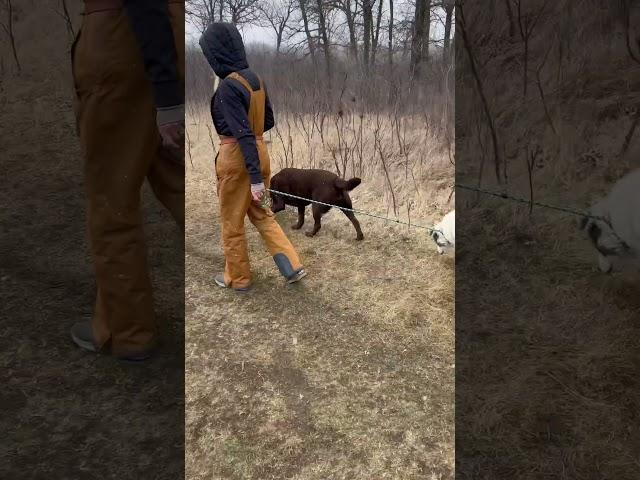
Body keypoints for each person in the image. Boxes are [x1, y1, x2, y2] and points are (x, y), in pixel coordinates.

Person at [69, 0, 185, 361]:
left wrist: (166, 97)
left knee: (112, 203)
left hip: (125, 45)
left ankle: (129, 333)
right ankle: (238, 273)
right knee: (179, 183)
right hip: (161, 38)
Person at [199, 23, 307, 291]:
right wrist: (256, 166)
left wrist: (255, 179)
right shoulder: (255, 79)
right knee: (262, 214)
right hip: (260, 153)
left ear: (217, 54)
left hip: (238, 159)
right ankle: (292, 266)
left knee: (231, 221)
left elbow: (243, 134)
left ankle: (238, 278)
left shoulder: (227, 87)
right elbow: (267, 121)